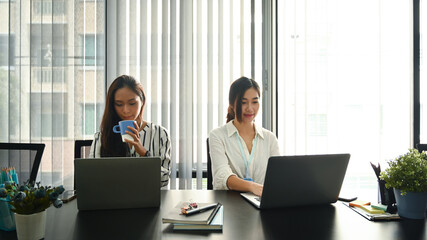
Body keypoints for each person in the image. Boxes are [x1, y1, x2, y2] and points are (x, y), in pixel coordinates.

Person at [89, 75, 171, 187]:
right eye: (119, 104)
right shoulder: (102, 137)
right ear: (112, 106)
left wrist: (143, 153)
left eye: (132, 103)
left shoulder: (160, 134)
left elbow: (164, 180)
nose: (126, 110)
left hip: (149, 201)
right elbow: (91, 178)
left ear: (142, 101)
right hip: (111, 201)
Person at [208, 77, 280, 196]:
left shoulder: (270, 138)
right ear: (232, 104)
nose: (250, 108)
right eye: (243, 102)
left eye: (255, 102)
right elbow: (222, 176)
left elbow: (278, 177)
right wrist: (252, 187)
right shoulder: (217, 135)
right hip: (231, 205)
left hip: (262, 204)